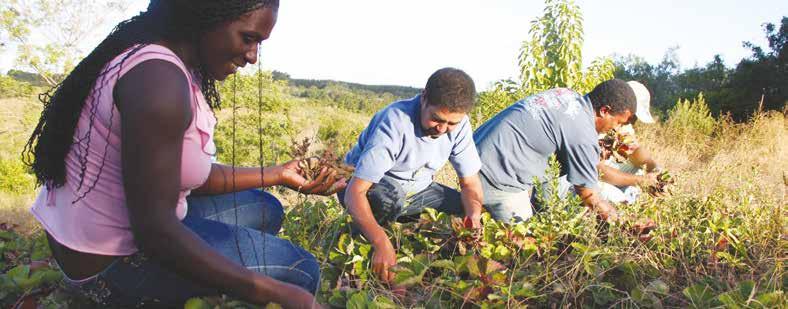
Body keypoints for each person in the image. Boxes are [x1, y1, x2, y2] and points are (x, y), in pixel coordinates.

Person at [23, 1, 343, 307]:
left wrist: (276, 173)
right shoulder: (158, 82)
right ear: (207, 14)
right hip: (106, 265)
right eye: (248, 38)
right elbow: (155, 234)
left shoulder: (169, 60)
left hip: (104, 235)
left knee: (265, 208)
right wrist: (274, 292)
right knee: (301, 270)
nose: (253, 56)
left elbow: (175, 174)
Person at [338, 68, 484, 282]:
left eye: (452, 123)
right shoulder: (395, 121)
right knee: (390, 199)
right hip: (368, 187)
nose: (443, 129)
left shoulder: (459, 126)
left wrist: (474, 216)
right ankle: (366, 251)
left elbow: (470, 183)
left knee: (469, 208)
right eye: (437, 119)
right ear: (424, 97)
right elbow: (355, 191)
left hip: (418, 189)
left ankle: (438, 266)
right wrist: (381, 243)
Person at [473, 79, 637, 224]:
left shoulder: (567, 95)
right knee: (525, 245)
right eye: (617, 122)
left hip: (475, 153)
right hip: (495, 174)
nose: (616, 128)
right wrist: (622, 220)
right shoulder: (583, 133)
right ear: (604, 111)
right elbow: (588, 195)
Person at [595, 81, 662, 204]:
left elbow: (632, 149)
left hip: (606, 175)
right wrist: (641, 180)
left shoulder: (622, 127)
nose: (631, 121)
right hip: (586, 181)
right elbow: (598, 170)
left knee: (639, 169)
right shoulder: (601, 124)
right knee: (614, 196)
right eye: (631, 117)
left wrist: (654, 168)